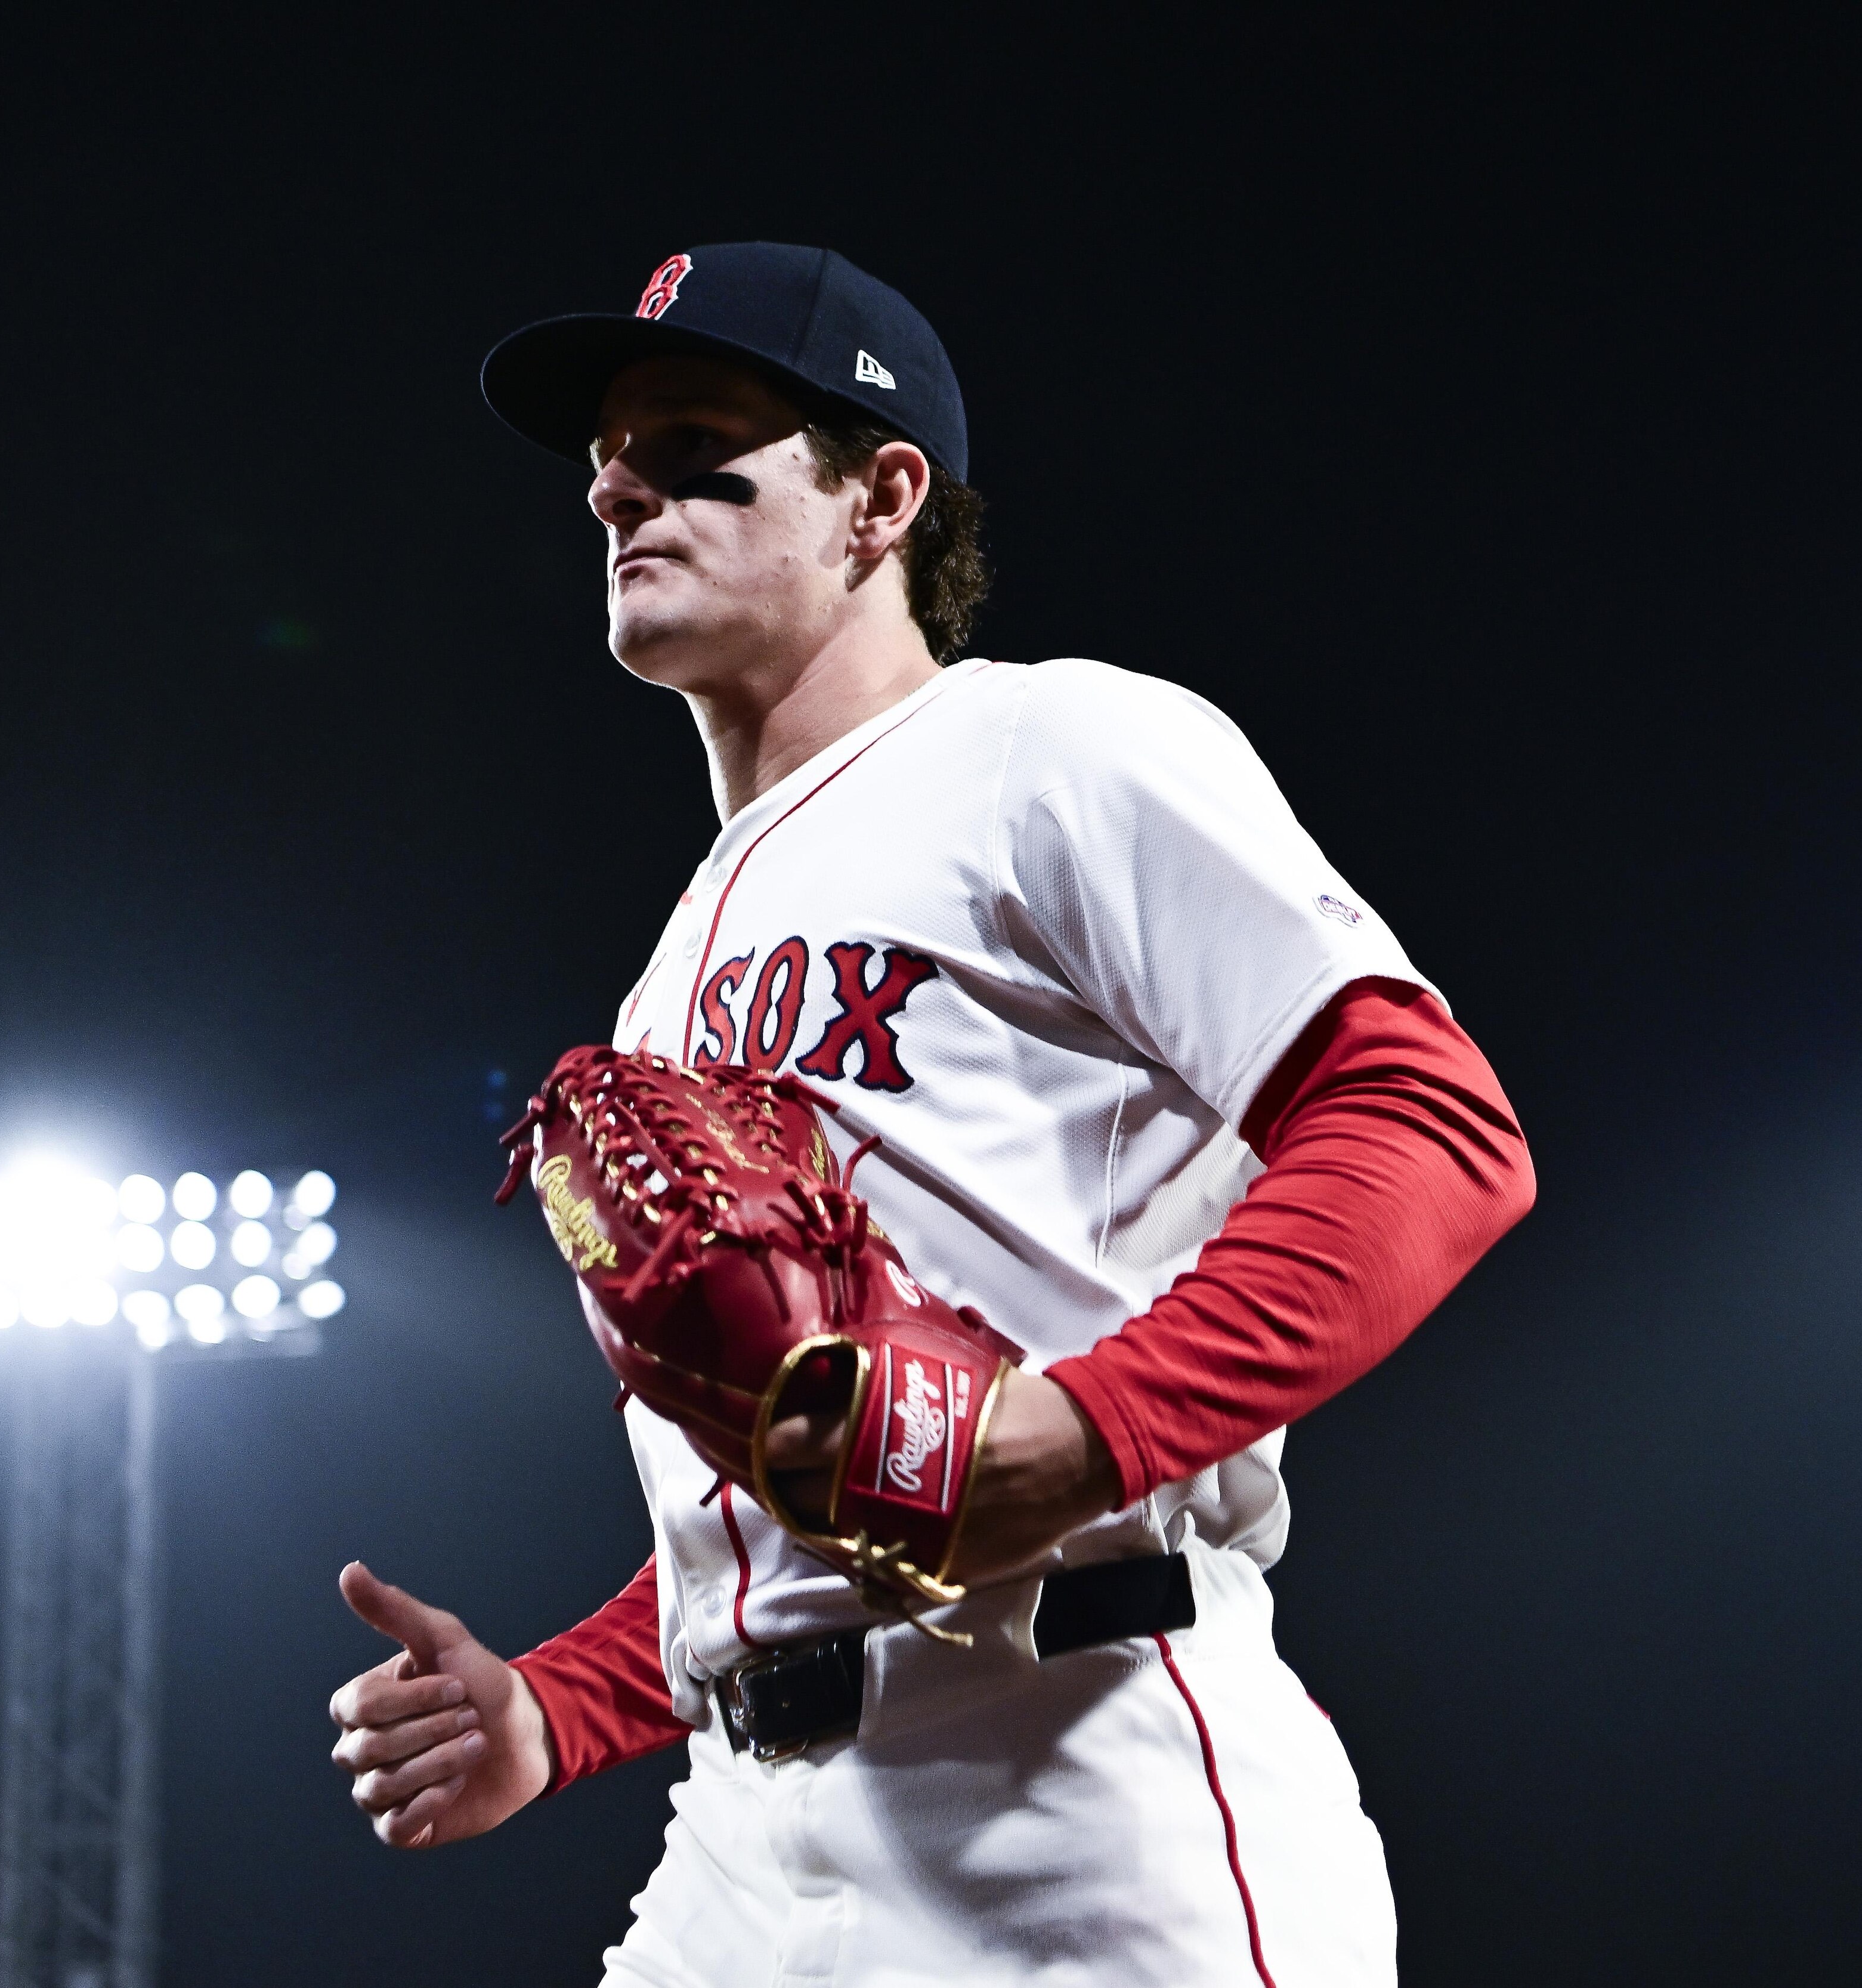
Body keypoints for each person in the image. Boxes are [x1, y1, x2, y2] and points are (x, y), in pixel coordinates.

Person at [324, 242, 1533, 1986]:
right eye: (608, 453)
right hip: (746, 1850)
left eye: (690, 442)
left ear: (881, 497)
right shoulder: (670, 970)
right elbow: (781, 1509)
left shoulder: (1053, 749)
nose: (614, 484)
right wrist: (555, 1709)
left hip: (1075, 1789)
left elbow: (1432, 1127)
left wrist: (1082, 1434)